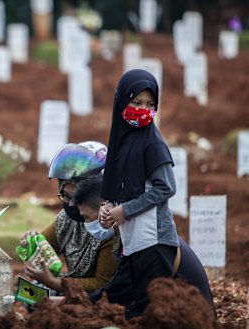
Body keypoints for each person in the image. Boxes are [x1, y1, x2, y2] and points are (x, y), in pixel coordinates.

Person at [99, 69, 180, 318]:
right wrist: (109, 207)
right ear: (122, 100)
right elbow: (125, 185)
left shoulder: (151, 143)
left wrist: (125, 210)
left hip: (155, 242)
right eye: (136, 102)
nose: (143, 110)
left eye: (150, 104)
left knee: (151, 312)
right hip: (135, 240)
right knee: (129, 308)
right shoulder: (124, 140)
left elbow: (166, 187)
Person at [74, 175, 216, 316]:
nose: (87, 224)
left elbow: (116, 293)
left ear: (105, 208)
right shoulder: (134, 238)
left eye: (87, 217)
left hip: (193, 318)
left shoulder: (142, 242)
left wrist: (67, 301)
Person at [20, 141, 118, 293]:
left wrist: (57, 283)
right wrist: (32, 243)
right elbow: (46, 245)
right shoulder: (66, 219)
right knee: (35, 294)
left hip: (100, 295)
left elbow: (102, 283)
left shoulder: (109, 225)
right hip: (72, 285)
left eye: (76, 197)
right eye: (65, 196)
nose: (71, 204)